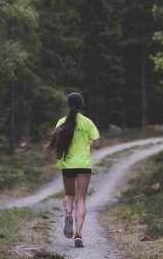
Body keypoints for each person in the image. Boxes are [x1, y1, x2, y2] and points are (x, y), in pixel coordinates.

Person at [47, 92, 100, 248]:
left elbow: (56, 141)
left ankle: (68, 214)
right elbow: (97, 145)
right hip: (83, 165)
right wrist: (88, 141)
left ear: (68, 104)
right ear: (82, 105)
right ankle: (78, 233)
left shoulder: (62, 122)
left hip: (67, 165)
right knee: (81, 199)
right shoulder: (88, 122)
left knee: (69, 194)